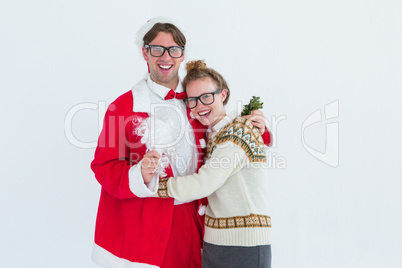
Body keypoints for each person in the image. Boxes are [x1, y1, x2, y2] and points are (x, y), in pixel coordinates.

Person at [91, 17, 271, 268]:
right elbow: (103, 166)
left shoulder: (196, 102)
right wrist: (139, 175)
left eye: (173, 49)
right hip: (143, 226)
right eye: (157, 49)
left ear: (182, 55)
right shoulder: (123, 107)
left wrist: (258, 128)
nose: (166, 57)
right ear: (145, 52)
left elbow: (224, 130)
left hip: (195, 225)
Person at [146, 60, 272, 268]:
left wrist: (155, 187)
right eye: (192, 100)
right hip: (216, 240)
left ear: (223, 95)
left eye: (206, 97)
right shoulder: (213, 136)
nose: (199, 106)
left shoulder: (238, 130)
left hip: (244, 243)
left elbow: (205, 182)